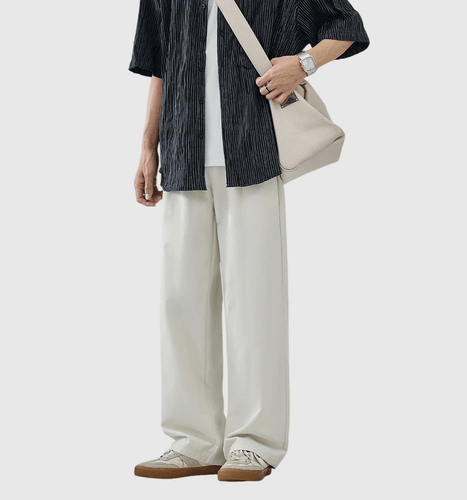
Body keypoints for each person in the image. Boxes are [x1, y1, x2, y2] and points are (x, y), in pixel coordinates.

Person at [128, 0, 369, 481]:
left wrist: (303, 64)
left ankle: (255, 443)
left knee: (255, 301)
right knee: (181, 302)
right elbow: (159, 62)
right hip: (183, 150)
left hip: (252, 149)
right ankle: (193, 442)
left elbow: (347, 24)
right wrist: (148, 147)